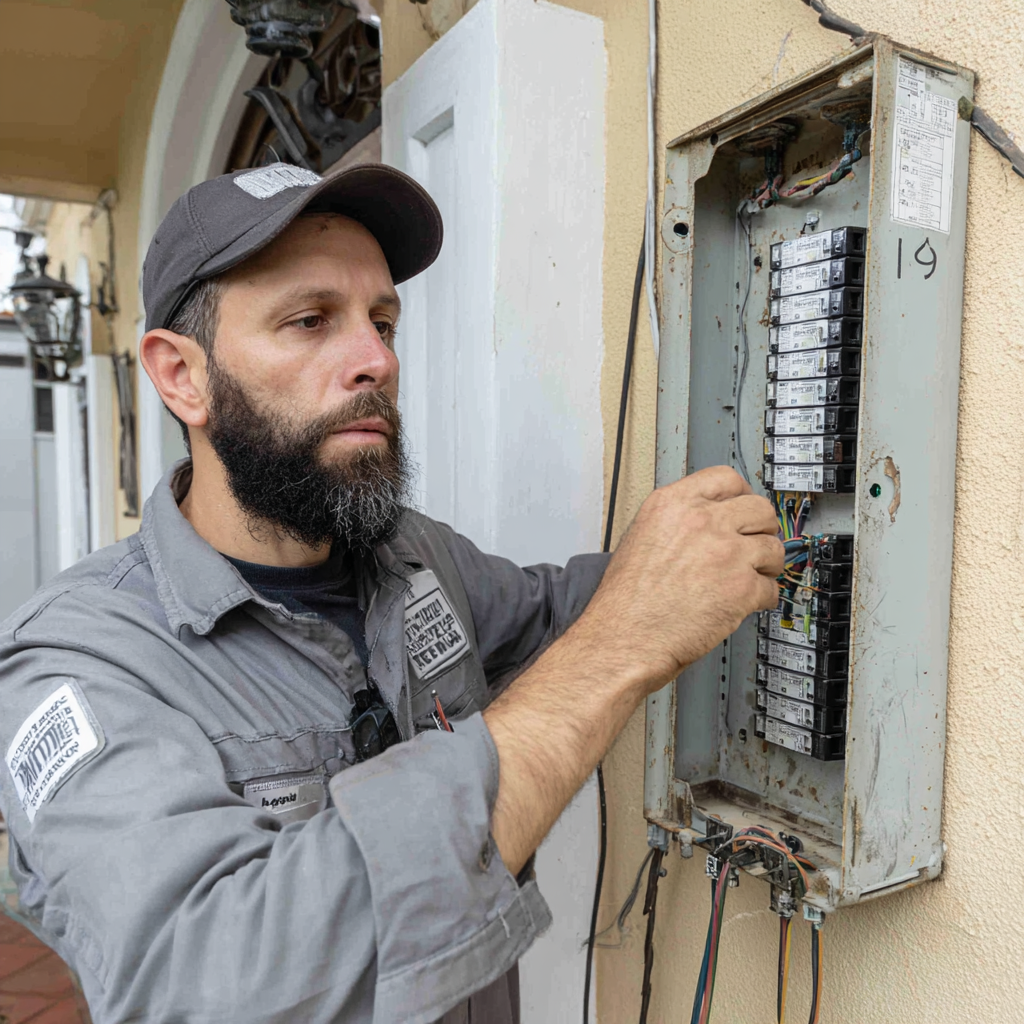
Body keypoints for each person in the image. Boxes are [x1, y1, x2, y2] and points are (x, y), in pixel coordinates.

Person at [0, 162, 783, 1024]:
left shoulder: (414, 558)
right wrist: (622, 646)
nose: (376, 360)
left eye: (382, 322)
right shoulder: (81, 664)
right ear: (182, 376)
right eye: (310, 320)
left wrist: (698, 557)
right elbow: (214, 976)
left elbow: (567, 612)